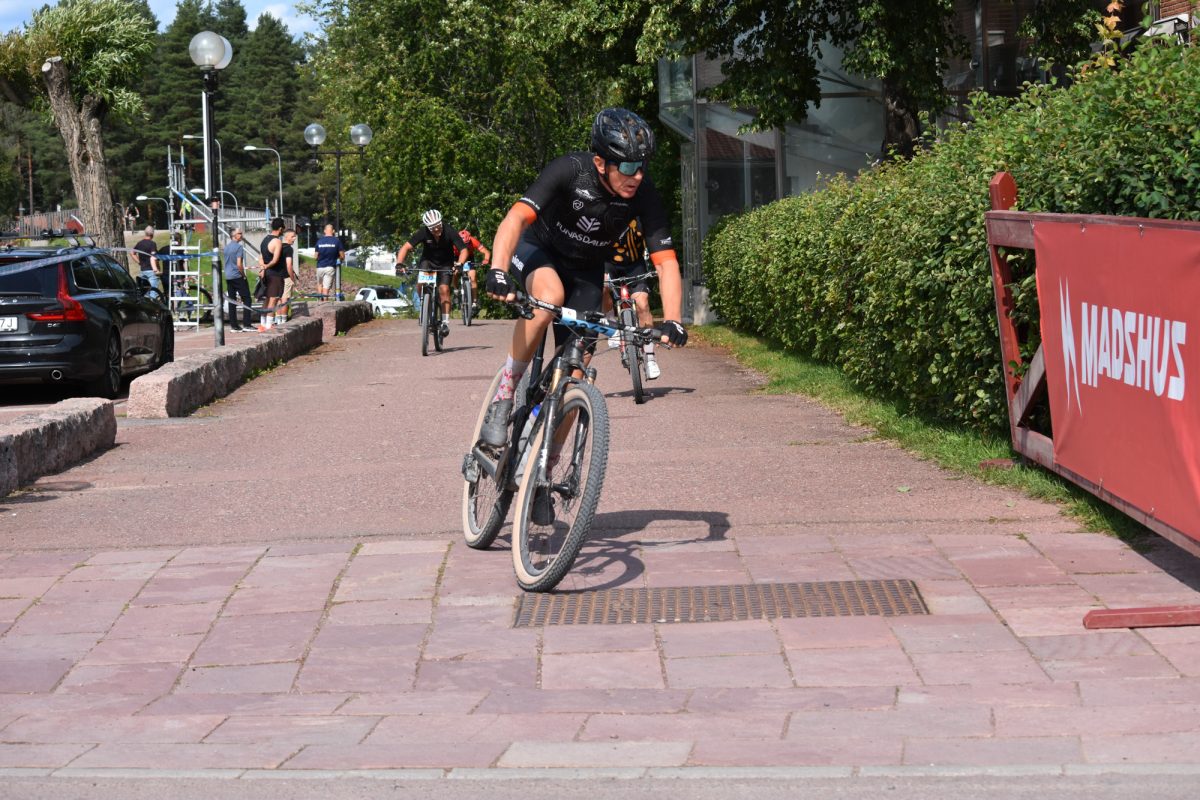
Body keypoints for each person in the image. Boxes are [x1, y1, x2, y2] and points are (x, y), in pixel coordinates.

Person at [481, 107, 688, 448]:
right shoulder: (571, 170)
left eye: (642, 166)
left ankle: (546, 465)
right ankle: (504, 397)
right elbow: (515, 219)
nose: (637, 176)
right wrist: (497, 270)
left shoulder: (644, 193)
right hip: (539, 250)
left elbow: (665, 262)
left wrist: (674, 320)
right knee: (549, 297)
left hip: (587, 270)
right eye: (628, 167)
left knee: (575, 377)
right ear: (601, 163)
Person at [394, 210, 469, 338]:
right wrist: (399, 263)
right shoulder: (423, 232)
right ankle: (424, 305)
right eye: (433, 228)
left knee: (444, 289)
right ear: (428, 228)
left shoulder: (449, 230)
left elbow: (464, 250)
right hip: (428, 262)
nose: (437, 229)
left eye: (438, 226)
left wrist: (459, 264)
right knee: (421, 283)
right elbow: (405, 247)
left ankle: (445, 322)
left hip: (446, 263)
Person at [604, 217, 662, 379]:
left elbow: (654, 242)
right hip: (608, 262)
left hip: (635, 264)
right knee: (602, 287)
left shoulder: (639, 219)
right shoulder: (605, 215)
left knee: (642, 304)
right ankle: (612, 327)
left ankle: (650, 357)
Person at [257, 217, 286, 332]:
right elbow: (275, 260)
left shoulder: (265, 240)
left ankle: (262, 323)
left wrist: (263, 267)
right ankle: (269, 325)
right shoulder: (277, 241)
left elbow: (260, 257)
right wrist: (266, 266)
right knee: (273, 299)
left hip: (267, 274)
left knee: (267, 298)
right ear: (280, 229)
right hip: (275, 274)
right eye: (283, 229)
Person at [455, 228, 491, 315]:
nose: (465, 246)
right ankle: (456, 290)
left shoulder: (473, 241)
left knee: (473, 277)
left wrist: (486, 259)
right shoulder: (454, 242)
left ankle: (474, 302)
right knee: (454, 272)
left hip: (469, 258)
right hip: (456, 257)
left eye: (467, 244)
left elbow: (486, 252)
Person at [223, 228, 252, 331]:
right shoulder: (239, 247)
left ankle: (234, 326)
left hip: (228, 276)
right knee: (247, 299)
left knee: (232, 300)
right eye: (239, 233)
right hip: (237, 275)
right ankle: (247, 324)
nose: (241, 235)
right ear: (234, 235)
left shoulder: (226, 247)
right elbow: (239, 264)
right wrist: (243, 275)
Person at [314, 223, 344, 301]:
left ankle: (319, 303)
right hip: (330, 267)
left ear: (324, 231)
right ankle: (325, 305)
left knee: (320, 285)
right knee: (326, 288)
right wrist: (338, 259)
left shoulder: (319, 241)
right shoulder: (337, 241)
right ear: (333, 231)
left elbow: (315, 257)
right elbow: (342, 256)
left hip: (320, 267)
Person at [279, 228, 299, 322]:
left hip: (277, 276)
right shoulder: (288, 249)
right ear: (286, 237)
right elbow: (289, 265)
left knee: (278, 298)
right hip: (286, 276)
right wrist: (293, 279)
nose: (294, 238)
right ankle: (284, 320)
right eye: (292, 236)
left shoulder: (278, 246)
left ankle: (278, 319)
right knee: (285, 299)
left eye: (295, 236)